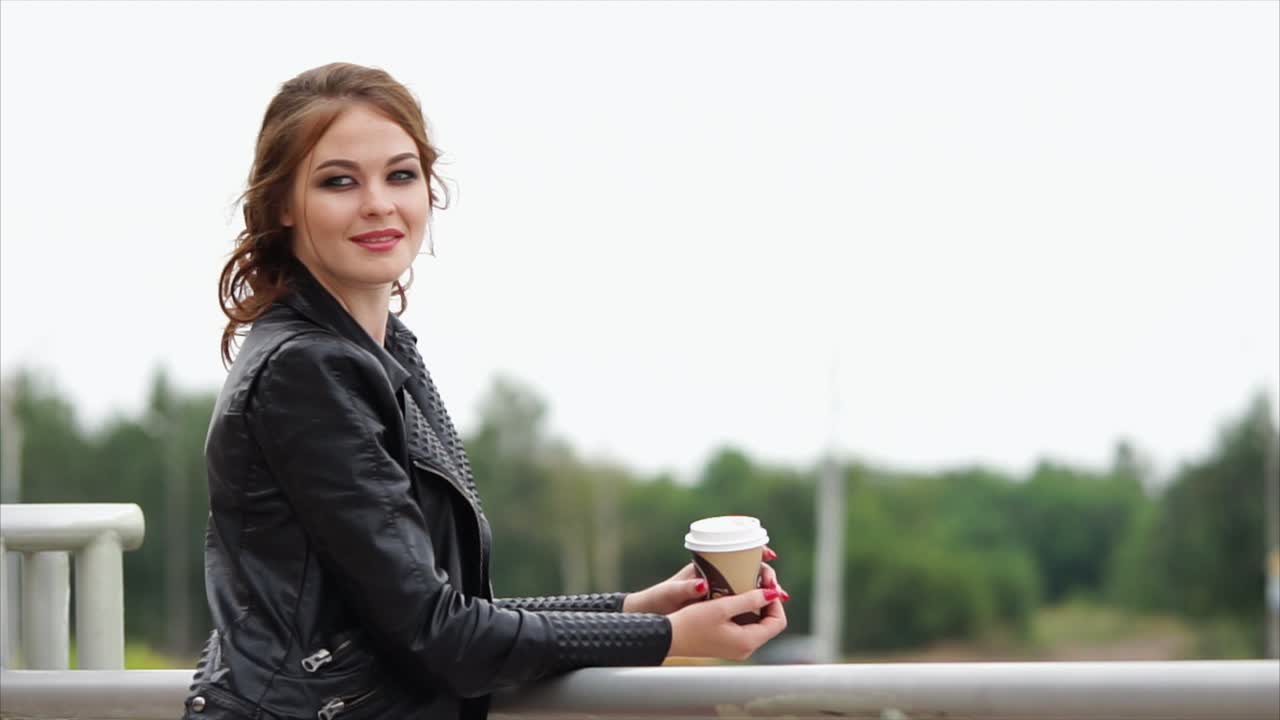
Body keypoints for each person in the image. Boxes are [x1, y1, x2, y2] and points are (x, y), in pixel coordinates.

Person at [185, 62, 788, 720]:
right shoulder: (309, 372)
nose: (379, 203)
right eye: (338, 182)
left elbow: (441, 612)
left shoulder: (380, 352)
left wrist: (637, 609)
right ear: (281, 204)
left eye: (401, 174)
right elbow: (443, 637)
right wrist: (668, 638)